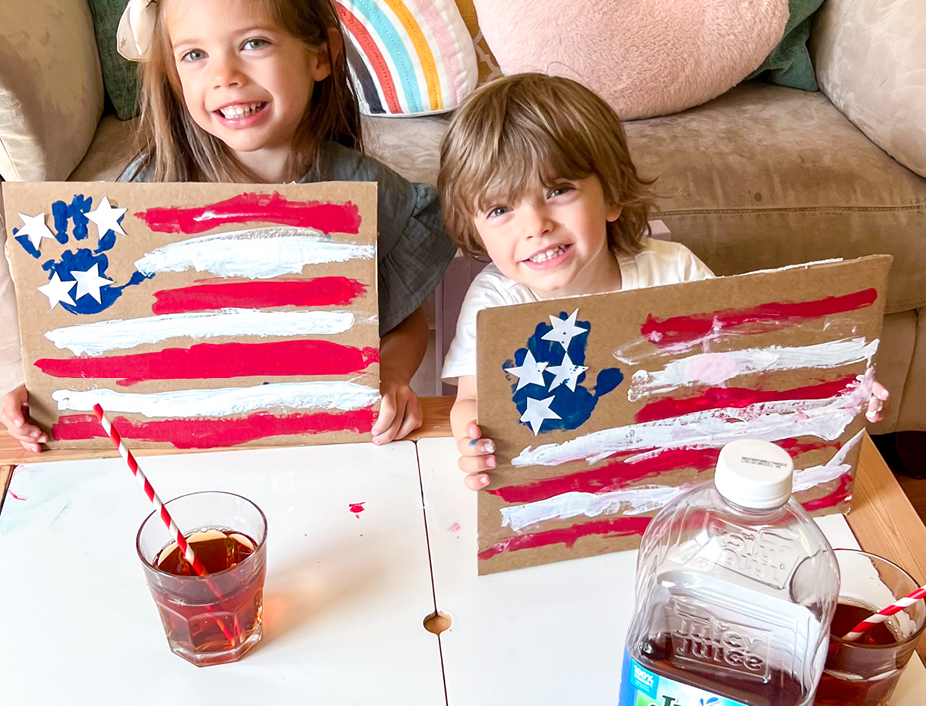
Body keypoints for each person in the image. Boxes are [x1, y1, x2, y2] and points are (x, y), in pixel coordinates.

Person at [0, 0, 454, 452]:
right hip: (179, 447)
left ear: (320, 56)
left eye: (254, 43)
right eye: (194, 55)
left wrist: (392, 377)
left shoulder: (368, 190)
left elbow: (404, 321)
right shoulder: (143, 197)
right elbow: (97, 328)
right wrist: (41, 396)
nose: (225, 76)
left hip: (319, 444)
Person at [437, 73, 889, 490]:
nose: (535, 225)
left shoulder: (674, 272)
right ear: (476, 228)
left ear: (611, 195)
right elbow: (472, 401)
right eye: (500, 210)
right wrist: (474, 442)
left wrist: (841, 384)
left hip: (677, 475)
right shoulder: (495, 300)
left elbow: (748, 361)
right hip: (566, 485)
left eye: (558, 191)